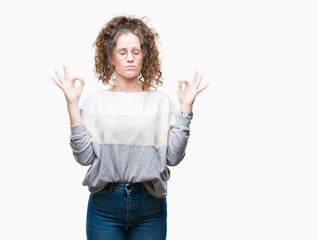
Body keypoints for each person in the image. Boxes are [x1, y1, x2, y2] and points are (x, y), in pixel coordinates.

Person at [52, 15, 209, 240]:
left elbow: (173, 158)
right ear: (111, 56)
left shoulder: (161, 103)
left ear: (145, 55)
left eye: (136, 52)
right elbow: (84, 158)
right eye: (122, 52)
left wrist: (185, 108)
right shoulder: (96, 103)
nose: (130, 58)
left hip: (150, 207)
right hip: (104, 207)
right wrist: (72, 105)